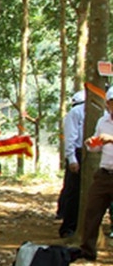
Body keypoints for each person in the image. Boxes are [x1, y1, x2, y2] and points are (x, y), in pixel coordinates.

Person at [75, 87, 113, 260]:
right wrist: (92, 143)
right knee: (92, 211)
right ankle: (88, 250)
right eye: (111, 103)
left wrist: (110, 139)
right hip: (104, 174)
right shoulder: (102, 122)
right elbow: (97, 147)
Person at [57, 90, 85, 237]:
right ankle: (68, 227)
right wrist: (72, 158)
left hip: (94, 153)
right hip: (78, 153)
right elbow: (70, 137)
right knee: (73, 191)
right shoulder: (76, 112)